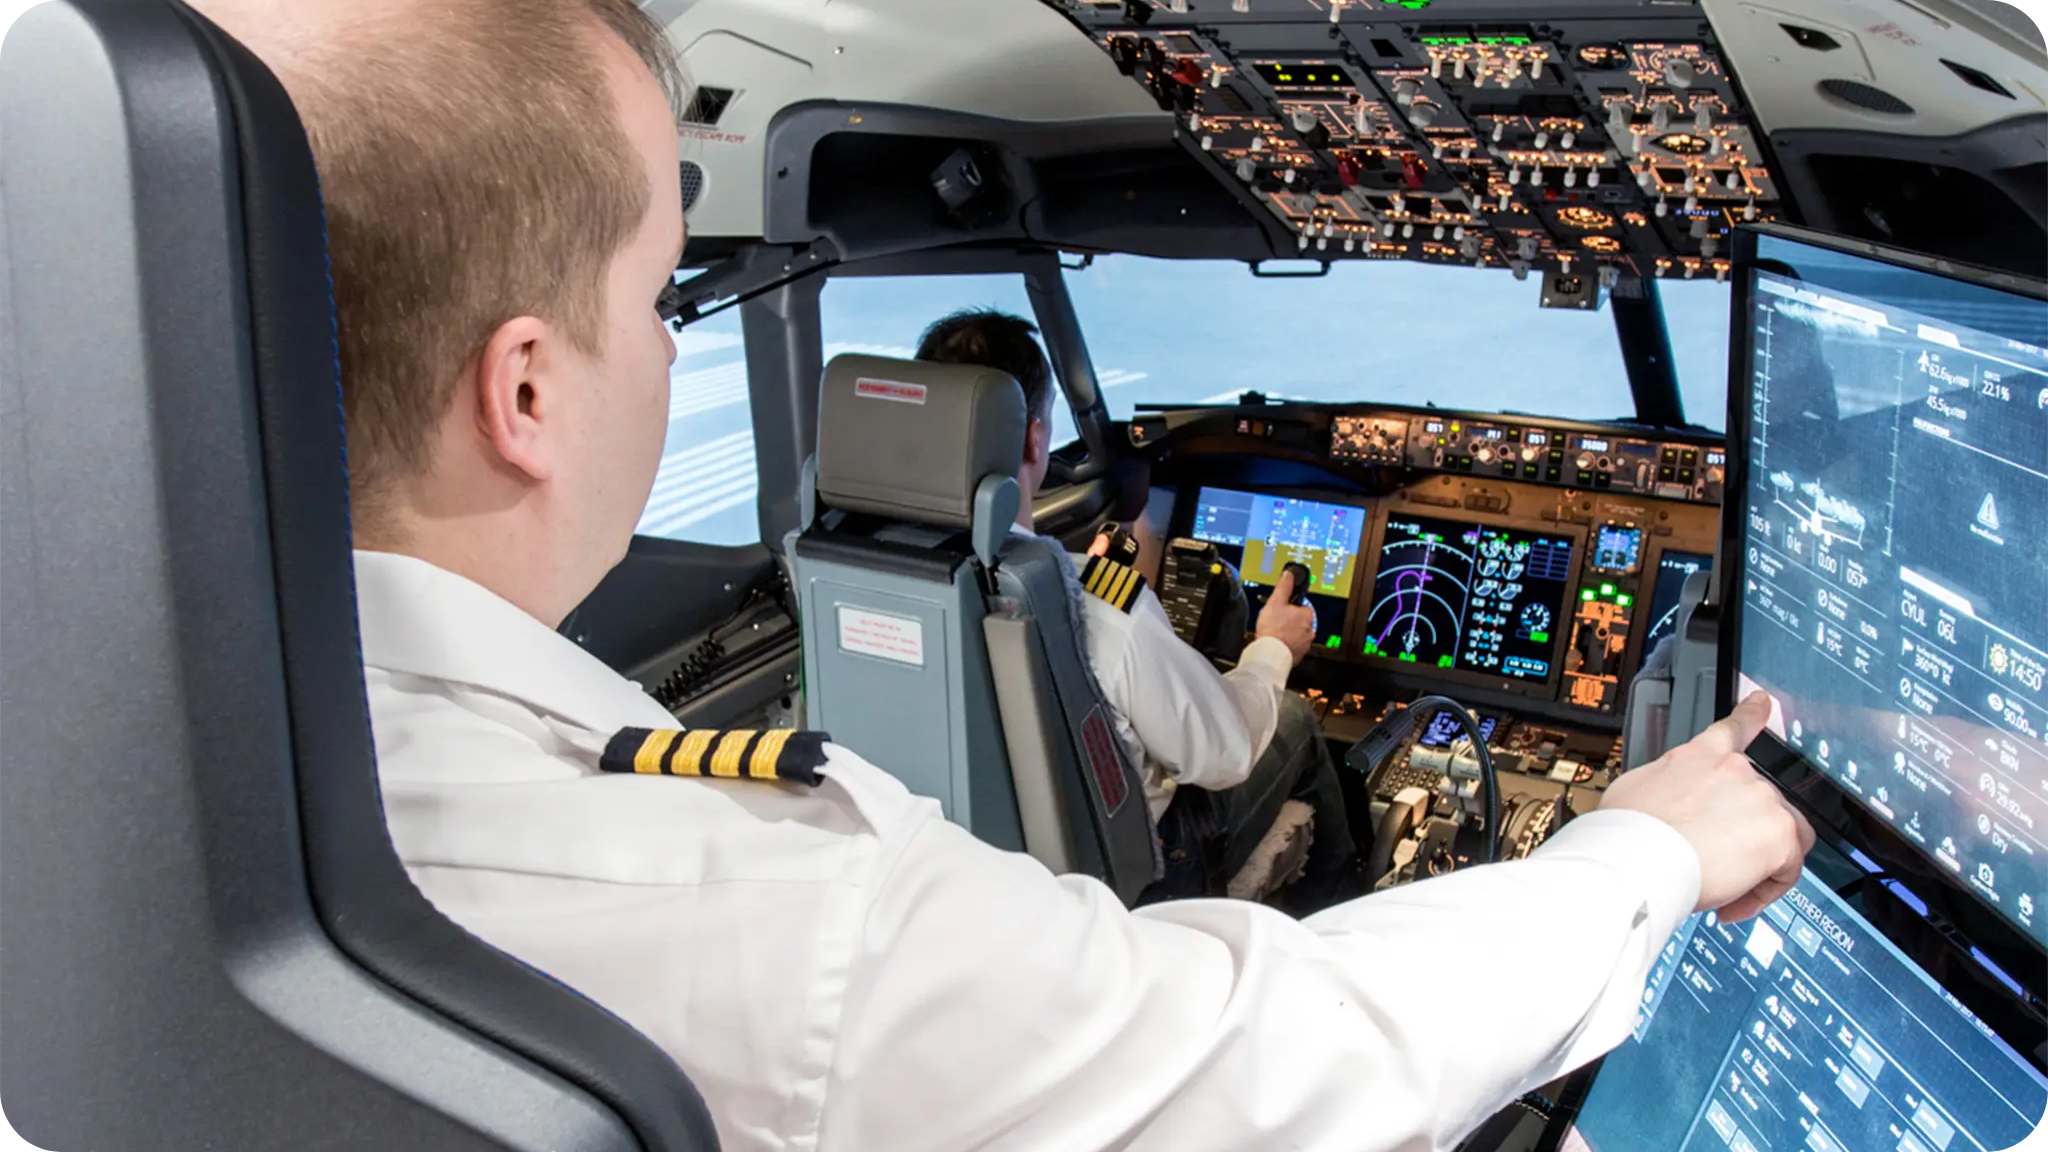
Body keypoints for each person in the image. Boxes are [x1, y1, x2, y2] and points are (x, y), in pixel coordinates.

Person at [191, 1, 1817, 1149]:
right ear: (528, 390)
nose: (664, 346)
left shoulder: (196, 754)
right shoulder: (750, 895)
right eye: (657, 296)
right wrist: (1633, 845)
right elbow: (1264, 1062)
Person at [915, 309, 1362, 909]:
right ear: (1033, 438)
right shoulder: (1097, 610)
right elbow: (1223, 754)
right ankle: (1339, 904)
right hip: (1128, 877)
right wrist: (1272, 649)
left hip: (956, 868)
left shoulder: (864, 577)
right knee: (1293, 719)